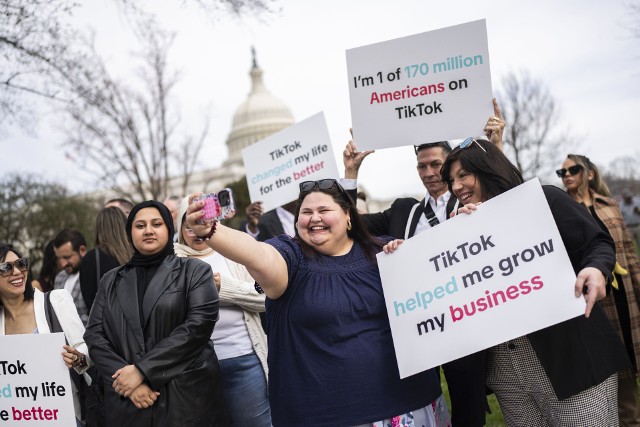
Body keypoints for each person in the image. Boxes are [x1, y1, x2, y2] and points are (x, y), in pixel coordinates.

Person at [185, 180, 449, 427]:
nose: (314, 218)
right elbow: (258, 255)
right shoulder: (291, 256)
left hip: (409, 404)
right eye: (306, 212)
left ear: (348, 215)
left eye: (324, 209)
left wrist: (465, 225)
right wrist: (212, 230)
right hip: (326, 415)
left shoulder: (387, 251)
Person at [419, 138, 629, 425]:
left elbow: (598, 244)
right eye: (451, 180)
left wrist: (596, 268)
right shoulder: (460, 227)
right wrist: (457, 237)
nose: (455, 187)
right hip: (507, 373)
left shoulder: (544, 200)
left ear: (488, 168)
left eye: (463, 175)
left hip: (572, 359)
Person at [339, 101, 506, 426]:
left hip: (465, 322)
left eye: (436, 164)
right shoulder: (404, 210)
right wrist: (350, 173)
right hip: (416, 323)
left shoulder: (474, 202)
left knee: (469, 412)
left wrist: (496, 147)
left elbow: (506, 203)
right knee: (419, 404)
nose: (430, 173)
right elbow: (349, 224)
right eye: (422, 166)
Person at [83, 200, 229, 427]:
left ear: (168, 229)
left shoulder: (195, 271)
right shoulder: (111, 280)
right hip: (128, 402)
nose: (148, 230)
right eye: (140, 226)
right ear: (130, 232)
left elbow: (197, 327)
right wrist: (127, 381)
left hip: (185, 400)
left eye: (156, 224)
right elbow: (94, 334)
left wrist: (142, 371)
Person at [174, 197, 271, 427]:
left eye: (204, 221)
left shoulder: (235, 252)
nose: (196, 232)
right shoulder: (171, 262)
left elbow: (264, 297)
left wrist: (222, 288)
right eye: (189, 225)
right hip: (196, 370)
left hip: (245, 361)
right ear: (180, 227)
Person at [559, 154, 640, 426]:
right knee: (608, 367)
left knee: (628, 364)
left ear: (589, 173)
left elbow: (629, 253)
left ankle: (630, 419)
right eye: (562, 172)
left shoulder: (610, 206)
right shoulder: (561, 210)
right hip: (589, 299)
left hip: (623, 297)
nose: (567, 175)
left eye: (573, 169)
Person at [0, 245, 92, 426]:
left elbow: (85, 348)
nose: (17, 272)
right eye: (6, 268)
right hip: (18, 417)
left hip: (63, 415)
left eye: (21, 264)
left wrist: (77, 358)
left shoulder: (56, 301)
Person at [79, 206, 132, 311]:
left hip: (107, 324)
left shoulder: (91, 258)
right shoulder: (136, 255)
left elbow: (90, 303)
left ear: (99, 228)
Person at [53, 229, 89, 324]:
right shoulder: (59, 277)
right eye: (59, 258)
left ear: (82, 250)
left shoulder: (94, 274)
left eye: (67, 257)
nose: (62, 264)